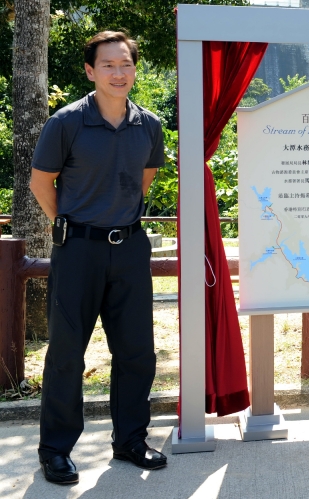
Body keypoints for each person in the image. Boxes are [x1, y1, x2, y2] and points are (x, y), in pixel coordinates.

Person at [29, 30, 167, 484]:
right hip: (77, 251)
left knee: (137, 352)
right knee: (67, 353)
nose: (118, 72)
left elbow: (144, 178)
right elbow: (40, 184)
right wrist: (69, 224)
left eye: (125, 64)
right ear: (90, 71)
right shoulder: (66, 123)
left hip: (129, 248)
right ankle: (56, 450)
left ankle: (130, 439)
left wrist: (115, 223)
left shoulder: (148, 125)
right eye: (107, 65)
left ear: (134, 68)